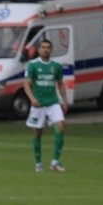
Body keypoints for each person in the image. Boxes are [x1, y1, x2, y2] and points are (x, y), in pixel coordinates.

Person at [23, 38, 68, 172]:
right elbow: (27, 84)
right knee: (37, 134)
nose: (45, 49)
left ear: (51, 50)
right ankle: (38, 164)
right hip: (38, 104)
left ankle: (55, 162)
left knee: (60, 126)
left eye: (48, 47)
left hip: (53, 102)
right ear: (39, 50)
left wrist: (64, 101)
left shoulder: (56, 66)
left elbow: (60, 83)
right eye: (43, 47)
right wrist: (32, 99)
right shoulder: (33, 65)